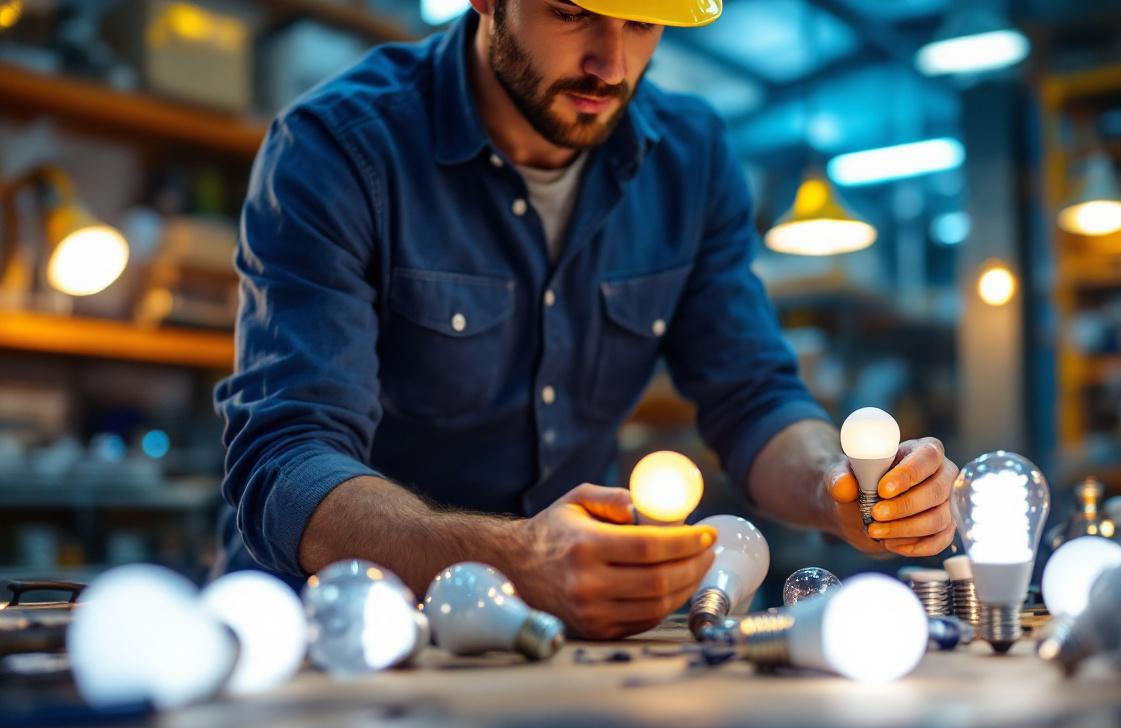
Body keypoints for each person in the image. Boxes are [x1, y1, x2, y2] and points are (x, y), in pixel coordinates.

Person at [214, 0, 957, 639]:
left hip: (557, 639)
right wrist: (513, 558)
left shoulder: (691, 159)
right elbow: (287, 459)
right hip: (335, 636)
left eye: (643, 23)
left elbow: (753, 398)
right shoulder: (338, 148)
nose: (610, 63)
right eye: (572, 14)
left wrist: (841, 485)